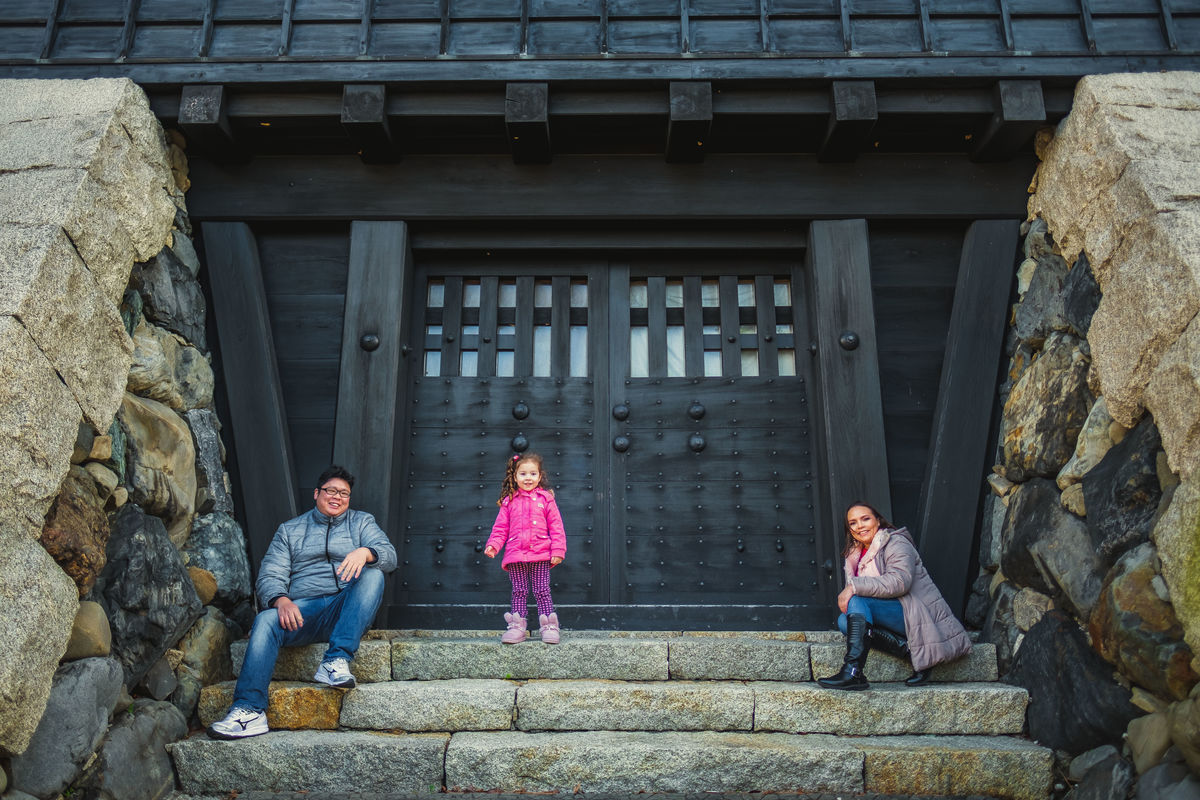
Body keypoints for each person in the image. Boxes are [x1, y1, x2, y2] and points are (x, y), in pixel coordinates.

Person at [207, 465, 397, 739]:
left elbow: (390, 556)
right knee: (266, 620)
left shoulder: (362, 522)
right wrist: (281, 600)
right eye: (331, 490)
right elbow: (270, 574)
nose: (338, 497)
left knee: (373, 574)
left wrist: (366, 552)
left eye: (344, 493)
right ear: (316, 493)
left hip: (345, 612)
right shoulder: (290, 530)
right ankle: (249, 710)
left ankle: (335, 661)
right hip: (303, 613)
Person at [817, 501, 971, 691]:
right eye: (853, 523)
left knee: (855, 600)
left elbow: (900, 582)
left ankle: (852, 672)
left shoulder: (895, 542)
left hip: (916, 614)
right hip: (895, 614)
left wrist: (853, 586)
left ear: (878, 521)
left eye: (865, 519)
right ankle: (911, 652)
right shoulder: (856, 554)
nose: (860, 526)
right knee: (844, 621)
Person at [484, 452, 567, 644]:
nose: (528, 478)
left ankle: (549, 626)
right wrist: (493, 545)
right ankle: (517, 627)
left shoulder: (546, 499)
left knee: (541, 589)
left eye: (532, 474)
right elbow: (500, 528)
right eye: (523, 474)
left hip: (541, 554)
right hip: (516, 555)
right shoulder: (509, 501)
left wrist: (557, 551)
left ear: (539, 476)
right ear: (515, 477)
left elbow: (556, 526)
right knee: (519, 590)